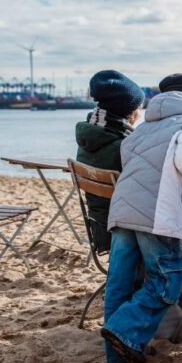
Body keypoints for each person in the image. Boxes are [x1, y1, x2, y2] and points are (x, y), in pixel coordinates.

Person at [102, 73, 182, 363]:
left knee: (119, 283)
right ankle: (122, 331)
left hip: (123, 210)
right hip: (155, 212)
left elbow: (127, 158)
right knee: (167, 280)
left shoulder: (142, 127)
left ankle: (115, 358)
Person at [75, 70, 144, 253]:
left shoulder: (88, 139)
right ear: (130, 112)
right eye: (139, 107)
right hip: (125, 230)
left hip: (98, 227)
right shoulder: (123, 147)